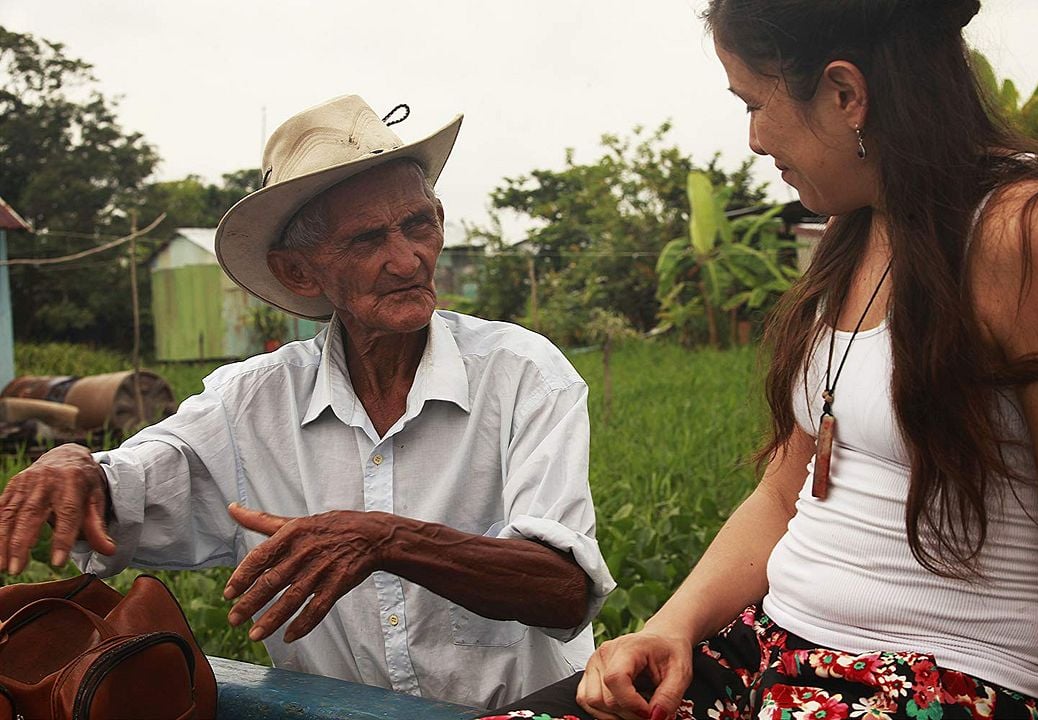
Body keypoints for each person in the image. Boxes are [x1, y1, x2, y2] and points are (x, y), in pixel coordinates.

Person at [480, 1, 1038, 719]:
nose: (756, 140)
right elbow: (788, 488)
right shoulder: (855, 227)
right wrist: (672, 626)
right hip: (764, 650)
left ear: (844, 93)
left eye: (754, 104)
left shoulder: (1030, 231)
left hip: (931, 682)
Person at [0, 94, 615, 710]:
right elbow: (129, 484)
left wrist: (385, 539)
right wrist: (72, 462)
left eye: (419, 224)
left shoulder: (524, 375)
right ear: (299, 273)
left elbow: (562, 588)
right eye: (368, 238)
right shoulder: (251, 404)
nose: (407, 259)